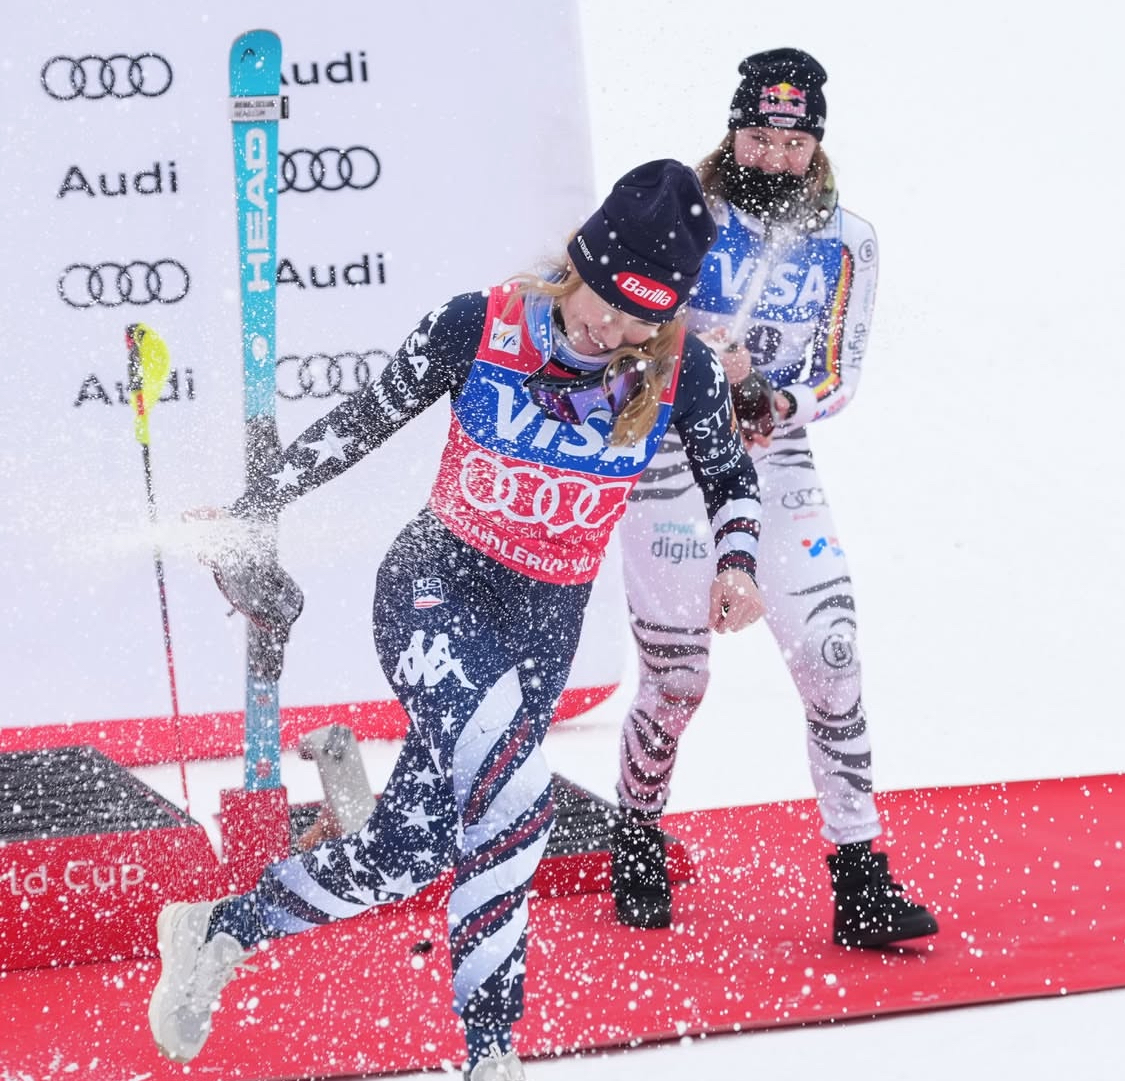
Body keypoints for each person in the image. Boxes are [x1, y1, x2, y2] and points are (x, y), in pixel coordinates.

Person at [146, 159, 766, 1081]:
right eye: (602, 300)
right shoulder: (480, 324)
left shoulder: (683, 373)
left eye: (640, 317)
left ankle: (219, 930)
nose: (610, 329)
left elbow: (731, 477)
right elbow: (358, 422)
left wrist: (738, 560)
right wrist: (250, 510)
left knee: (407, 853)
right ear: (578, 262)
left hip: (542, 627)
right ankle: (490, 1053)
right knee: (517, 801)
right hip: (436, 589)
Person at [609, 50, 939, 949]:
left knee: (832, 654)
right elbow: (613, 326)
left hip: (773, 454)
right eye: (758, 136)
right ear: (732, 132)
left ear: (816, 145)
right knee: (678, 680)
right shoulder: (683, 211)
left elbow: (840, 370)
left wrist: (775, 400)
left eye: (793, 143)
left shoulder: (848, 240)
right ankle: (635, 831)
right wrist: (692, 367)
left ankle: (859, 876)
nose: (775, 157)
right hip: (669, 455)